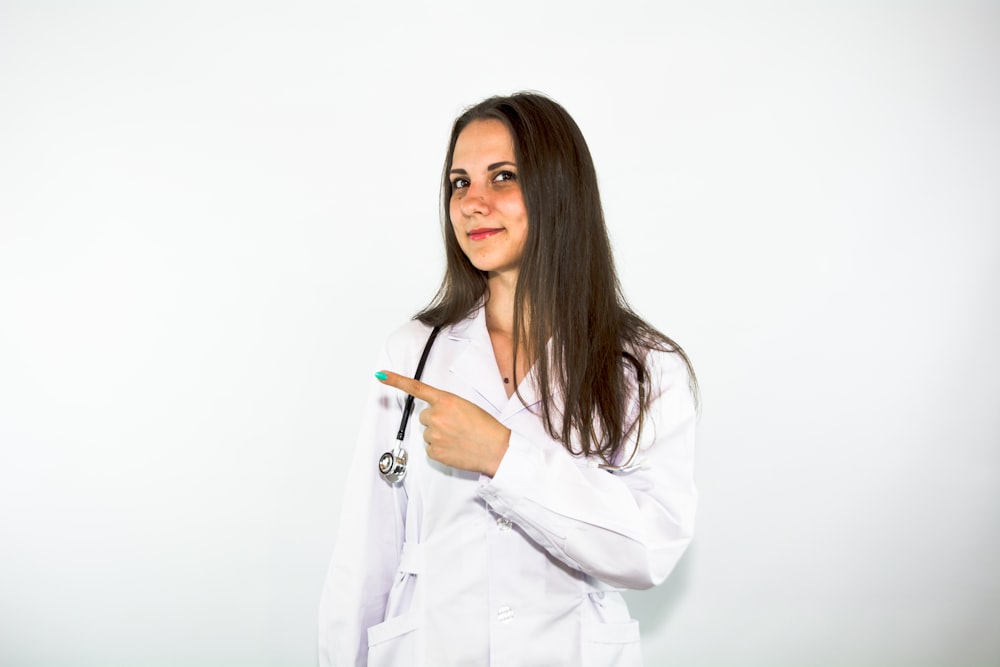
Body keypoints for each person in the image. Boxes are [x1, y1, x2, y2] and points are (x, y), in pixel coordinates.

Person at [318, 91, 698, 667]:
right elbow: (365, 556)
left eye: (502, 177)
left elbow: (648, 551)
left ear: (558, 191)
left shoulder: (642, 366)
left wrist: (502, 456)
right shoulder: (412, 352)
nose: (472, 203)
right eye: (459, 183)